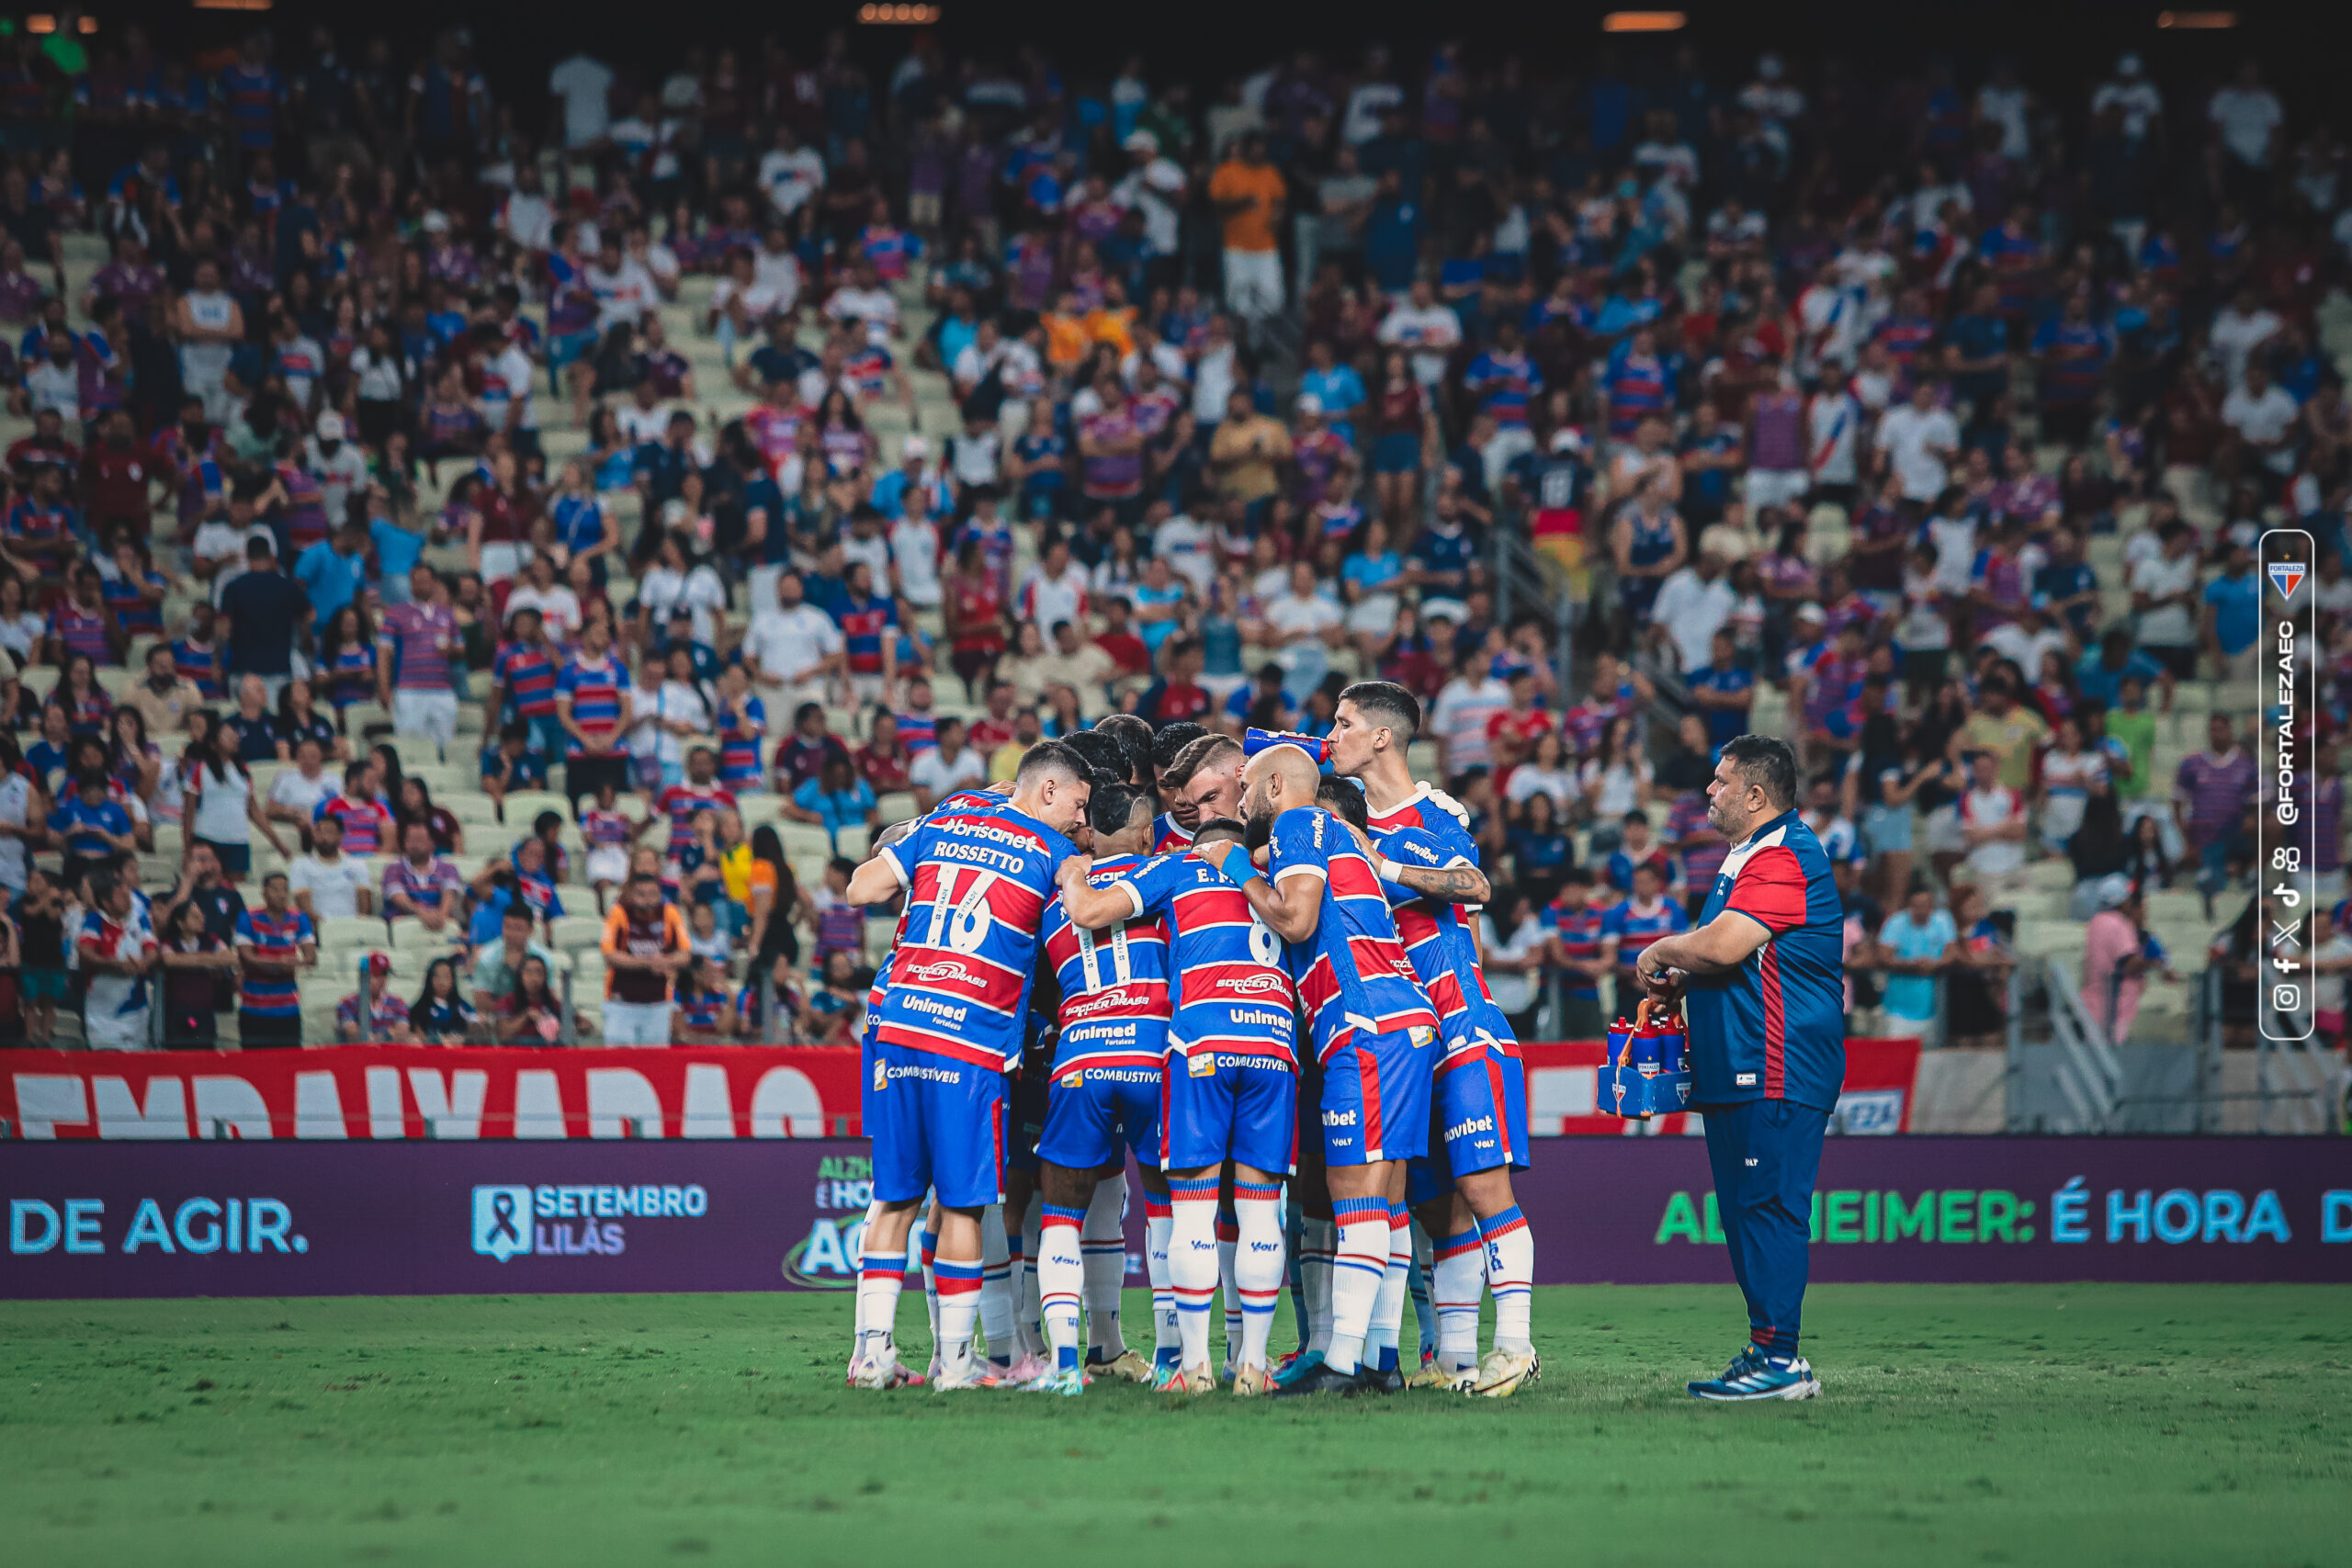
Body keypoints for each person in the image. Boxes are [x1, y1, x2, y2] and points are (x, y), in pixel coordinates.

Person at [842, 740, 1092, 1391]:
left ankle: (871, 1354)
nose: (1080, 819)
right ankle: (955, 1362)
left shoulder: (946, 816)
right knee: (962, 1205)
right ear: (1045, 792)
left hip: (897, 1023)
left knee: (893, 1196)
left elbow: (860, 886)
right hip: (970, 1038)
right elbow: (1081, 908)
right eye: (1077, 803)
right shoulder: (1054, 850)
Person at [1193, 742, 1435, 1397]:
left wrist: (1237, 863)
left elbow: (1296, 921)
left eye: (1245, 788)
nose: (1239, 802)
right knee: (1383, 1201)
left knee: (1355, 1195)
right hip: (1402, 1021)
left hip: (1364, 1023)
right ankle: (1379, 1357)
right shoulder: (1341, 837)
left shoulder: (1299, 823)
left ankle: (1342, 1360)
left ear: (1276, 785)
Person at [1634, 734, 1843, 1402]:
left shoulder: (1782, 853)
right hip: (1739, 1065)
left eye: (1722, 781)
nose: (1709, 791)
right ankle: (1766, 1349)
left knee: (1770, 1210)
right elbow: (1737, 963)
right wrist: (1681, 981)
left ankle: (1781, 1360)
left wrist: (1662, 947)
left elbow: (1724, 944)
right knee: (1747, 1212)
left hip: (1775, 1065)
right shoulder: (1745, 855)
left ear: (1756, 794)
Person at [599, 872, 692, 1045]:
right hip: (621, 1003)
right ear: (632, 895)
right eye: (641, 894)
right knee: (617, 1060)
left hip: (658, 1004)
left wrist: (665, 961)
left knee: (655, 1063)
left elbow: (685, 954)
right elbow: (609, 955)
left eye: (652, 894)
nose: (647, 900)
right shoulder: (618, 913)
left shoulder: (669, 913)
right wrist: (649, 963)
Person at [232, 871, 316, 1050]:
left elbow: (311, 957)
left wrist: (269, 962)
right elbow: (247, 958)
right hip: (254, 1009)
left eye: (285, 890)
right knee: (254, 1064)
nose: (281, 894)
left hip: (288, 1010)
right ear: (264, 893)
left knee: (289, 1066)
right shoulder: (247, 918)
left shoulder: (299, 918)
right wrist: (283, 963)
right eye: (275, 889)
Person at [76, 868, 159, 1051]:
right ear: (106, 902)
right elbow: (85, 954)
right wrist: (115, 965)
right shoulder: (94, 921)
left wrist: (143, 964)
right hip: (102, 1016)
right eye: (121, 897)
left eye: (128, 895)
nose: (128, 900)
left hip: (137, 1014)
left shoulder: (140, 919)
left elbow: (152, 949)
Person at [1873, 884, 1956, 1038]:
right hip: (1898, 1009)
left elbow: (1952, 953)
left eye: (1926, 906)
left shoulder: (1943, 921)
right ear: (1908, 906)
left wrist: (1934, 964)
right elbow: (1884, 957)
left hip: (1933, 1008)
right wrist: (1912, 965)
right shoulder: (1896, 922)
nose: (1921, 911)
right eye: (1917, 906)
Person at [157, 896, 237, 1050]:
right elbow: (170, 960)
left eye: (201, 915)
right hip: (176, 1011)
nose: (201, 919)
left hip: (204, 1010)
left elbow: (231, 958)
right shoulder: (169, 942)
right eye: (195, 916)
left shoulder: (211, 939)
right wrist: (208, 959)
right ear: (180, 923)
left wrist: (189, 960)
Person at [337, 953, 417, 1043]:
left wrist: (377, 1038)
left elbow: (402, 1033)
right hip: (358, 1054)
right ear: (363, 977)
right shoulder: (348, 1003)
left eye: (384, 974)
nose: (382, 980)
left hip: (390, 1053)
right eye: (376, 975)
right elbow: (353, 1035)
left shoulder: (398, 1003)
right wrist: (388, 1035)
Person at [410, 956, 481, 1045]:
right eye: (437, 977)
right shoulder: (420, 1008)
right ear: (430, 979)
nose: (442, 982)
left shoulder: (462, 1006)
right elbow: (419, 1037)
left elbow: (475, 1026)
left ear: (453, 980)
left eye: (446, 977)